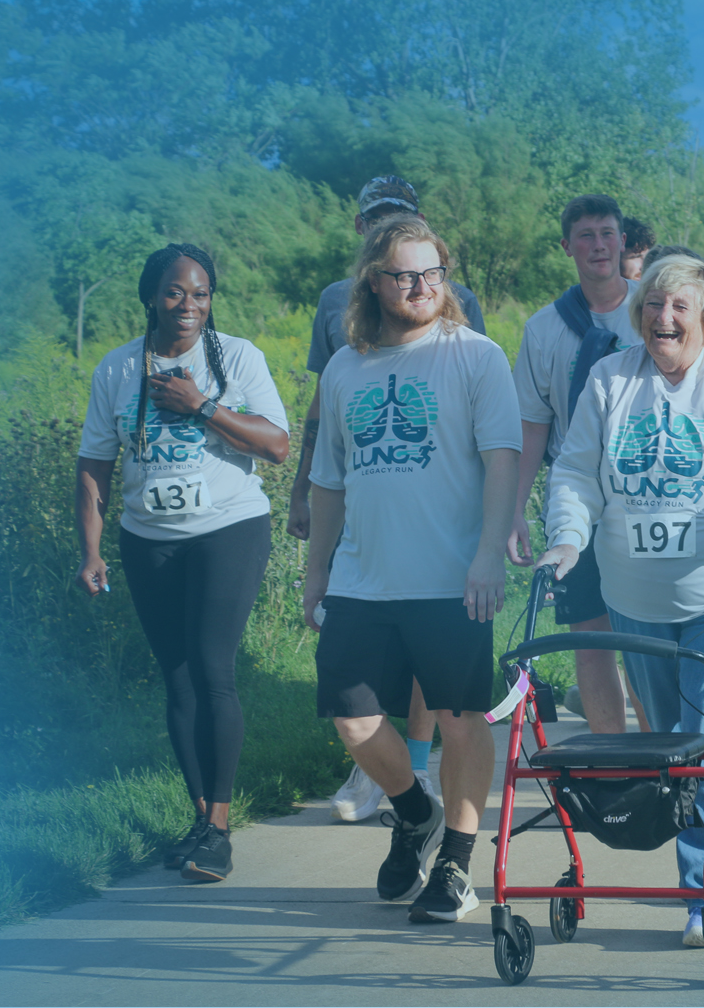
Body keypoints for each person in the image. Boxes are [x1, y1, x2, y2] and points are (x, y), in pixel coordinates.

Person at [534, 254, 704, 947]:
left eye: (679, 306)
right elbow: (575, 473)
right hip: (636, 597)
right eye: (653, 304)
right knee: (671, 744)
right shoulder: (610, 379)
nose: (663, 317)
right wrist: (566, 537)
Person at [302, 216, 520, 922]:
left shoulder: (474, 356)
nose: (420, 286)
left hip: (452, 577)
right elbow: (328, 482)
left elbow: (502, 462)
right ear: (374, 279)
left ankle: (456, 860)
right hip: (362, 577)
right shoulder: (346, 366)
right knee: (351, 715)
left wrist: (489, 553)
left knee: (460, 718)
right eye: (403, 274)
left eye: (433, 273)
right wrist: (315, 575)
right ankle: (413, 809)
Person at [75, 243, 291, 883]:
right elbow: (95, 464)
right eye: (175, 292)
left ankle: (219, 831)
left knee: (212, 667)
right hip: (149, 539)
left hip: (229, 528)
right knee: (177, 678)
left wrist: (201, 405)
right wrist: (88, 548)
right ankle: (200, 819)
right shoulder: (116, 371)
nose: (188, 305)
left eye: (199, 293)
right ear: (150, 296)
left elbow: (276, 445)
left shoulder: (239, 357)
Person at [287, 176, 485, 823]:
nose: (386, 224)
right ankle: (384, 773)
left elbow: (472, 404)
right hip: (362, 494)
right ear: (360, 229)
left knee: (436, 668)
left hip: (439, 516)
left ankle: (420, 763)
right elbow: (327, 400)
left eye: (398, 216)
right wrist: (304, 489)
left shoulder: (459, 304)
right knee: (355, 683)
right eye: (377, 217)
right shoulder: (332, 302)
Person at [507, 194, 642, 734]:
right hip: (579, 497)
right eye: (584, 235)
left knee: (645, 640)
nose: (598, 245)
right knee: (591, 636)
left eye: (607, 233)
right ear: (566, 247)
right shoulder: (544, 329)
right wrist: (515, 511)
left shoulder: (653, 310)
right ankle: (613, 760)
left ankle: (664, 763)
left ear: (624, 241)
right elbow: (533, 425)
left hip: (647, 492)